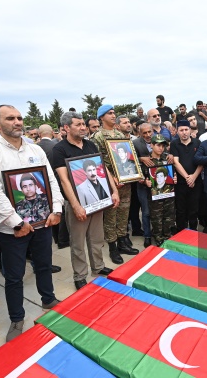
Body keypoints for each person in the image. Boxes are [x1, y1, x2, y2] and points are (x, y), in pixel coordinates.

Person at [0, 104, 63, 342]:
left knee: (44, 264)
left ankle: (49, 299)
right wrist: (16, 222)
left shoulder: (34, 149)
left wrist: (56, 208)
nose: (17, 122)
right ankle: (17, 318)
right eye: (10, 118)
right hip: (11, 229)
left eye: (19, 118)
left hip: (42, 221)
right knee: (14, 277)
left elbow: (50, 181)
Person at [51, 112, 119, 290]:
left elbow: (103, 169)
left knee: (97, 238)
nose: (83, 127)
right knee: (78, 243)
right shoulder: (59, 150)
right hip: (77, 204)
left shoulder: (90, 145)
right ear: (66, 128)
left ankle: (98, 267)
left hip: (97, 200)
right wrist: (75, 205)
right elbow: (64, 180)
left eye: (83, 124)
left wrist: (114, 191)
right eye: (78, 124)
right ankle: (80, 275)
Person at [91, 104, 139, 262]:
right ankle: (112, 247)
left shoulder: (120, 133)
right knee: (111, 215)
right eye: (109, 113)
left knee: (124, 212)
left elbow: (127, 155)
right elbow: (98, 163)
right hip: (110, 183)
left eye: (114, 113)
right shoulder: (97, 137)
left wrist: (132, 172)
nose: (113, 115)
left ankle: (122, 241)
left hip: (125, 180)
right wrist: (113, 179)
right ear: (101, 117)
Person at [141, 135, 176, 245]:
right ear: (151, 145)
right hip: (154, 197)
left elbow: (172, 173)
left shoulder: (168, 158)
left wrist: (174, 178)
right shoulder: (147, 161)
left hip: (168, 195)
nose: (161, 148)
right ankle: (158, 239)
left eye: (163, 146)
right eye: (158, 145)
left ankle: (167, 236)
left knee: (169, 217)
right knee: (156, 218)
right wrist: (144, 181)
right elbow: (140, 177)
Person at [170, 120, 203, 232]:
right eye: (181, 130)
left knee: (194, 209)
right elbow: (176, 162)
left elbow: (201, 162)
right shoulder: (174, 144)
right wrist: (187, 178)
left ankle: (193, 232)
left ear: (190, 130)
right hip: (180, 183)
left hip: (196, 182)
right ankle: (181, 233)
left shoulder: (197, 143)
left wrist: (193, 177)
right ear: (177, 132)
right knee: (180, 210)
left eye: (186, 130)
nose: (184, 132)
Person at [132, 123, 154, 247]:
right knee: (145, 211)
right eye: (144, 133)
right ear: (140, 133)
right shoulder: (135, 144)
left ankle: (158, 232)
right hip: (142, 183)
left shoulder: (161, 140)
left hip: (158, 182)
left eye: (149, 132)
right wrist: (141, 159)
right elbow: (131, 162)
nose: (147, 135)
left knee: (158, 210)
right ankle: (147, 236)